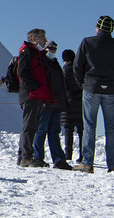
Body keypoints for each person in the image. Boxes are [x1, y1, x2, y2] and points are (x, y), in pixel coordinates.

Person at [74, 15, 114, 175]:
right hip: (111, 90)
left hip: (91, 88)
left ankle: (87, 163)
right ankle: (113, 165)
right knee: (111, 129)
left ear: (98, 28)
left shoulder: (87, 42)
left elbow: (77, 66)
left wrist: (83, 84)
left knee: (89, 126)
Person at [32, 41, 71, 170]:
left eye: (55, 48)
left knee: (54, 131)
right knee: (41, 129)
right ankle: (38, 157)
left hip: (56, 102)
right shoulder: (42, 62)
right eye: (50, 48)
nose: (53, 50)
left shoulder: (54, 63)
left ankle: (59, 159)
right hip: (46, 101)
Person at [15, 29, 51, 167]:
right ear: (34, 38)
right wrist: (34, 86)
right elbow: (23, 71)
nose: (45, 39)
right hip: (32, 94)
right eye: (42, 37)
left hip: (33, 93)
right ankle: (26, 157)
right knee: (30, 126)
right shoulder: (29, 52)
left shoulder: (32, 52)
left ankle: (23, 156)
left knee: (30, 125)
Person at [60, 48, 84, 163]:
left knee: (68, 130)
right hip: (81, 102)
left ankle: (68, 154)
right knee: (82, 130)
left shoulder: (65, 70)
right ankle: (83, 155)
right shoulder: (80, 69)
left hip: (68, 102)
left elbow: (62, 86)